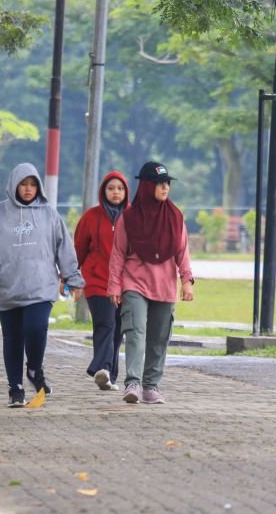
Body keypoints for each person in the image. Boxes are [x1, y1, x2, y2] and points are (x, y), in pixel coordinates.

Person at [0, 163, 85, 408]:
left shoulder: (49, 214)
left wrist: (73, 278)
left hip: (41, 287)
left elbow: (64, 248)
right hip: (7, 289)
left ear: (38, 187)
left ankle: (34, 369)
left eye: (32, 185)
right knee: (13, 338)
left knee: (36, 328)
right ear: (14, 185)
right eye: (23, 184)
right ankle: (15, 388)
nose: (28, 189)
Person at [108, 161, 194, 405]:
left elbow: (182, 251)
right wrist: (114, 286)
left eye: (167, 183)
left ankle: (151, 386)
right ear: (146, 186)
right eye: (159, 183)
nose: (165, 187)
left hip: (164, 286)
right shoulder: (129, 218)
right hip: (134, 284)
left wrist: (187, 281)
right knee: (135, 332)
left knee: (158, 338)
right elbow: (118, 254)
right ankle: (132, 383)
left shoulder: (175, 217)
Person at [74, 171, 130, 391]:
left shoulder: (132, 216)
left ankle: (110, 377)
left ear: (126, 192)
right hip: (97, 282)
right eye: (111, 188)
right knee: (105, 324)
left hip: (125, 284)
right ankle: (103, 367)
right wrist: (67, 277)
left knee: (118, 330)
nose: (115, 192)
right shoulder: (91, 217)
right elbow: (78, 249)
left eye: (120, 188)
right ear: (103, 191)